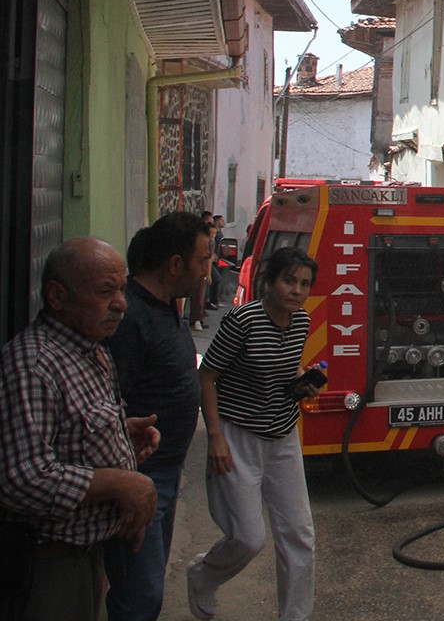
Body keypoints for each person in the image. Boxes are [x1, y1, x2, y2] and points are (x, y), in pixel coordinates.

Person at [0, 238, 162, 621]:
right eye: (106, 291)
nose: (121, 303)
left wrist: (121, 437)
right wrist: (117, 482)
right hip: (49, 565)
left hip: (88, 556)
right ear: (57, 296)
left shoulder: (91, 350)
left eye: (121, 289)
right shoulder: (35, 365)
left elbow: (66, 432)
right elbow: (21, 479)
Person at [187, 247, 321, 621]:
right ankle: (203, 574)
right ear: (270, 281)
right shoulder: (242, 320)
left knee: (299, 534)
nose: (296, 290)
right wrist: (215, 437)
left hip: (282, 435)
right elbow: (208, 377)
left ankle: (295, 616)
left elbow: (290, 365)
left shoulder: (301, 323)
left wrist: (302, 382)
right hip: (238, 435)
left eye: (304, 284)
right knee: (247, 538)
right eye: (289, 280)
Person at [103, 213, 212, 621]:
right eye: (202, 261)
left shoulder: (166, 306)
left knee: (147, 591)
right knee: (140, 596)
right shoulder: (131, 318)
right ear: (174, 264)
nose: (207, 271)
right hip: (140, 475)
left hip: (165, 473)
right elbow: (115, 398)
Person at [189, 212, 214, 331]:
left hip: (200, 272)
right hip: (199, 273)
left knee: (199, 297)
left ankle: (197, 318)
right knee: (198, 297)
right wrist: (208, 273)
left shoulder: (209, 242)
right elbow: (208, 259)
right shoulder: (205, 243)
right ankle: (197, 319)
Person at [205, 215, 226, 311]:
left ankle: (212, 300)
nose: (224, 223)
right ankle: (208, 301)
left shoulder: (215, 235)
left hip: (215, 258)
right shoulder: (208, 240)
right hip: (211, 260)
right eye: (222, 220)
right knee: (213, 279)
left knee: (215, 279)